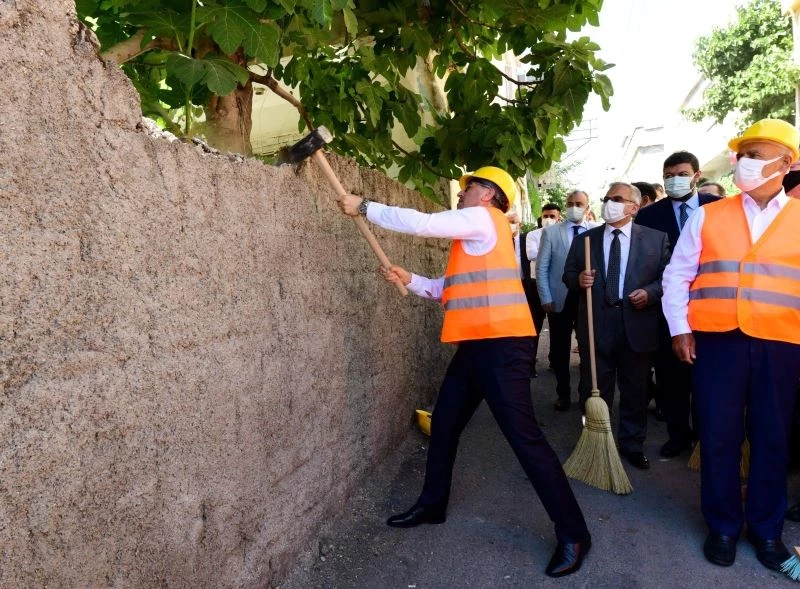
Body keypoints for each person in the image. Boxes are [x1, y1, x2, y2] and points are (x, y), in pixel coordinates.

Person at [337, 166, 591, 578]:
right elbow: (447, 289)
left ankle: (575, 533)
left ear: (487, 194)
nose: (460, 193)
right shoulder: (474, 240)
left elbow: (421, 224)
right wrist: (412, 279)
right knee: (445, 424)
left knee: (524, 439)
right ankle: (433, 503)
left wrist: (364, 207)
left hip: (502, 348)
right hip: (476, 348)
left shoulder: (481, 219)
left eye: (467, 187)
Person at [662, 119, 800, 571]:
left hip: (782, 344)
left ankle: (766, 531)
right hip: (717, 342)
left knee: (772, 439)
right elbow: (678, 274)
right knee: (719, 436)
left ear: (787, 163)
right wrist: (680, 328)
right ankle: (721, 526)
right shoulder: (709, 214)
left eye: (758, 155)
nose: (746, 163)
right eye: (744, 155)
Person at [563, 182, 670, 470]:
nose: (608, 203)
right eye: (606, 198)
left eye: (617, 199)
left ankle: (632, 444)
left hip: (637, 322)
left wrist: (650, 293)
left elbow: (668, 278)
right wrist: (578, 280)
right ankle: (595, 439)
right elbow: (569, 274)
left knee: (635, 389)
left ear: (634, 207)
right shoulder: (586, 240)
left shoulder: (656, 239)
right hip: (597, 322)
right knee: (594, 386)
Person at [635, 151, 721, 458]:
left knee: (707, 380)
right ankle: (677, 436)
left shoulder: (719, 209)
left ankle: (703, 437)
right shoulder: (648, 216)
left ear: (696, 176)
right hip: (666, 309)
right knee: (672, 379)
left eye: (680, 173)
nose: (674, 180)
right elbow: (646, 265)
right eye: (668, 175)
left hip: (712, 307)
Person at [536, 191, 598, 411]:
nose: (574, 207)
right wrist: (545, 297)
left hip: (589, 300)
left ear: (588, 207)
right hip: (559, 300)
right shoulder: (551, 233)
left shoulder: (597, 232)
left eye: (579, 203)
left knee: (588, 348)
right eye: (570, 204)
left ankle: (587, 395)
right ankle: (563, 393)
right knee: (560, 350)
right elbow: (542, 268)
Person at [518, 204, 562, 376]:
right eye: (545, 216)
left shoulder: (562, 235)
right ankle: (529, 365)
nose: (548, 219)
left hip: (556, 284)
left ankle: (556, 361)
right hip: (535, 286)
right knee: (533, 327)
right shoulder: (533, 235)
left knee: (557, 326)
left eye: (552, 216)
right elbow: (531, 255)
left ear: (559, 218)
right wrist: (554, 253)